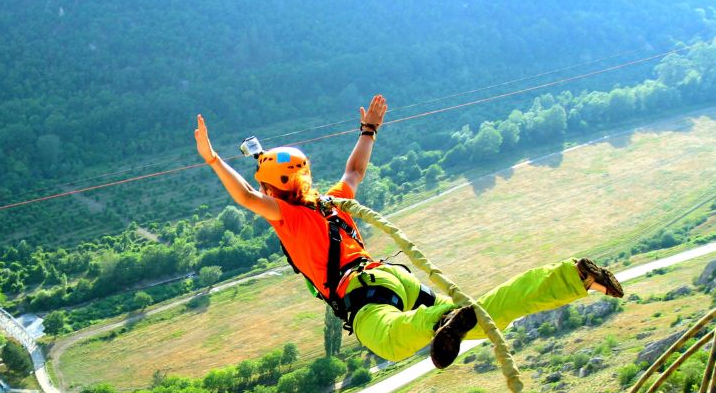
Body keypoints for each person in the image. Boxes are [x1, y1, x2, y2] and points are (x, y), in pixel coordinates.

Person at [193, 95, 623, 368]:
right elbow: (355, 169)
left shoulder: (287, 217)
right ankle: (572, 277)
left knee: (393, 342)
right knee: (484, 318)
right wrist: (369, 130)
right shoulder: (332, 203)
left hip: (362, 291)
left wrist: (214, 160)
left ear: (273, 190)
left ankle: (442, 319)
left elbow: (247, 196)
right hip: (391, 277)